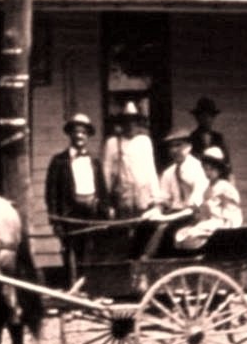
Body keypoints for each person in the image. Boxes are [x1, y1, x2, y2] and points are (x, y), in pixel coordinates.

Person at [45, 114, 105, 283]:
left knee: (91, 250)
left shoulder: (94, 161)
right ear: (70, 134)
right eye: (76, 132)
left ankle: (90, 285)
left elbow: (102, 189)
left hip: (92, 212)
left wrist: (104, 208)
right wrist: (55, 220)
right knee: (70, 251)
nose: (79, 136)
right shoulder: (59, 161)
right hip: (69, 213)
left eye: (83, 133)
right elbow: (51, 193)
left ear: (88, 136)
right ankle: (72, 286)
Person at [174, 148, 244, 251]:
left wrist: (228, 228)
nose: (208, 173)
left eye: (211, 169)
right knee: (182, 234)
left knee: (194, 233)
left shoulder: (225, 187)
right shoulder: (208, 188)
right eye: (205, 169)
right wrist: (198, 211)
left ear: (219, 170)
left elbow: (232, 212)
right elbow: (205, 213)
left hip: (223, 224)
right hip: (210, 222)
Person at [100, 102, 161, 216]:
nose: (130, 125)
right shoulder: (112, 143)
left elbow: (151, 170)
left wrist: (156, 198)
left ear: (138, 123)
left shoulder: (144, 141)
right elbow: (106, 173)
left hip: (143, 197)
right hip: (122, 197)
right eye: (127, 121)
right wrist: (106, 202)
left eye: (134, 121)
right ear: (122, 124)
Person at [158, 132, 210, 215]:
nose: (174, 150)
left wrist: (191, 207)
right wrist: (159, 206)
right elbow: (164, 196)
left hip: (194, 212)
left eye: (178, 145)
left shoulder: (197, 168)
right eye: (171, 146)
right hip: (175, 212)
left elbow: (199, 193)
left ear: (189, 147)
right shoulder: (168, 172)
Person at [186, 97, 228, 165]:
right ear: (197, 118)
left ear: (213, 118)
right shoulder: (191, 138)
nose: (207, 119)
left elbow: (226, 160)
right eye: (203, 116)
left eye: (210, 116)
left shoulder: (218, 137)